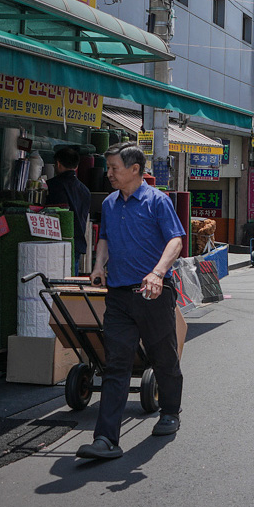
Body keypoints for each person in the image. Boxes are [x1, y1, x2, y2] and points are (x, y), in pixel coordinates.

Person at [77, 143, 187, 461]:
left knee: (163, 357)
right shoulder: (110, 204)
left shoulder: (158, 201)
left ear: (134, 169)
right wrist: (99, 266)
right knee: (116, 365)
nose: (108, 173)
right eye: (108, 167)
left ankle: (170, 412)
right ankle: (105, 439)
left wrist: (157, 273)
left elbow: (176, 240)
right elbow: (105, 238)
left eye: (114, 168)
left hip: (153, 293)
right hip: (119, 296)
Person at [49, 146, 95, 272]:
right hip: (77, 242)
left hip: (56, 243)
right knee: (71, 281)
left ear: (58, 164)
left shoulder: (53, 186)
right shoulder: (85, 190)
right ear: (76, 167)